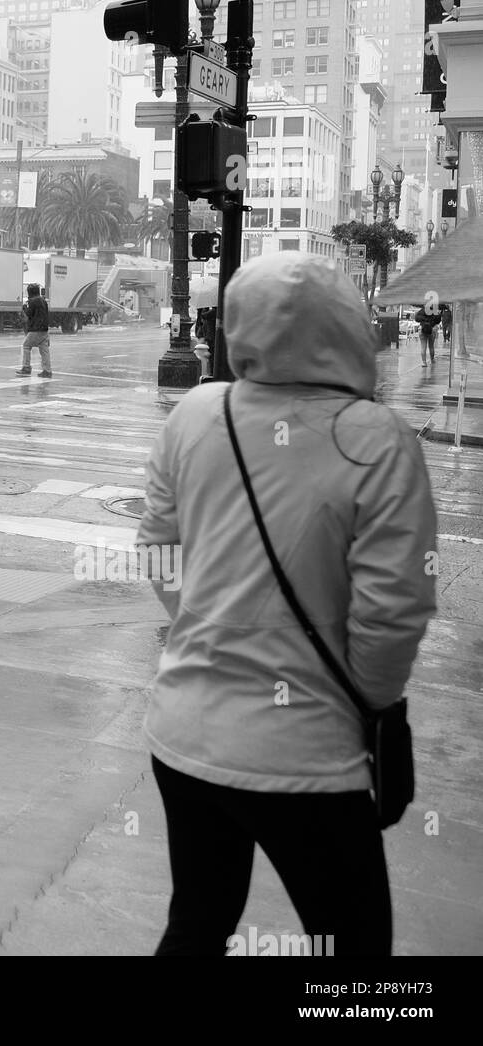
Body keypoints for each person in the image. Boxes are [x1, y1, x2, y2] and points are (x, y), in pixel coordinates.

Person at [137, 253, 436, 957]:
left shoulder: (197, 411)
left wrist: (206, 622)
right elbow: (393, 607)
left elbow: (155, 542)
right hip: (308, 757)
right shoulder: (377, 438)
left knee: (198, 923)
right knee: (356, 949)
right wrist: (366, 697)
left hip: (184, 734)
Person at [15, 283, 52, 377]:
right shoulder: (43, 301)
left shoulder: (32, 301)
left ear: (30, 292)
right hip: (44, 329)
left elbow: (28, 315)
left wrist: (24, 308)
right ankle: (47, 370)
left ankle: (26, 367)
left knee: (26, 346)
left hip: (35, 329)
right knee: (44, 350)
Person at [414, 302, 441, 367]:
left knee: (423, 347)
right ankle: (432, 360)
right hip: (432, 329)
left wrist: (424, 320)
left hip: (423, 329)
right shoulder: (434, 311)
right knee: (431, 346)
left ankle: (424, 362)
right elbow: (438, 321)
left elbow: (416, 318)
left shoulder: (422, 310)